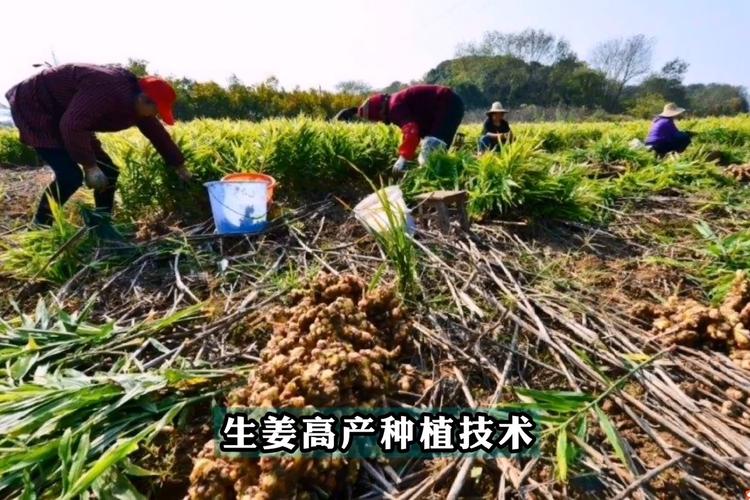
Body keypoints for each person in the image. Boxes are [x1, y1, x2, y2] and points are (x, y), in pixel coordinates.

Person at [5, 63, 191, 226]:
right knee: (70, 176)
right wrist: (90, 166)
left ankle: (102, 223)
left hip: (68, 114)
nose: (156, 115)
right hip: (35, 105)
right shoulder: (107, 91)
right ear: (143, 99)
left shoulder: (138, 103)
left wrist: (179, 164)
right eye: (156, 110)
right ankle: (40, 224)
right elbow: (72, 125)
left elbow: (157, 134)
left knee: (108, 171)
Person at [358, 85, 464, 174]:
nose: (380, 121)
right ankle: (448, 175)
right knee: (433, 154)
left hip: (447, 104)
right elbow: (413, 132)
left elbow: (411, 131)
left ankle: (437, 183)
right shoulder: (395, 102)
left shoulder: (394, 107)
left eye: (377, 118)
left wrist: (403, 157)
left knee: (429, 156)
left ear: (378, 111)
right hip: (450, 104)